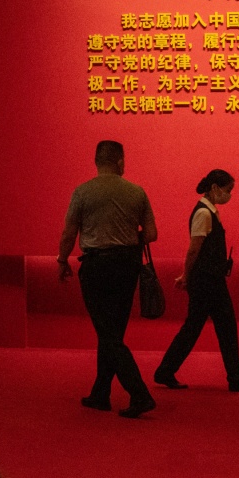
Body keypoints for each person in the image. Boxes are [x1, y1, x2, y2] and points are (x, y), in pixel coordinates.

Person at [56, 140, 159, 418]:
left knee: (107, 333)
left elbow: (69, 233)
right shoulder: (136, 192)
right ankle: (100, 393)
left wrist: (62, 260)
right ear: (120, 162)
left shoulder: (82, 192)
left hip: (96, 266)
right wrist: (128, 239)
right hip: (127, 265)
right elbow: (151, 233)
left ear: (96, 161)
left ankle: (139, 394)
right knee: (113, 332)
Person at [152, 169, 239, 392]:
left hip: (208, 280)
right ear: (214, 188)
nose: (229, 195)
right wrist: (185, 275)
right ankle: (235, 377)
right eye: (228, 190)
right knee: (222, 327)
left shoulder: (207, 211)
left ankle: (166, 371)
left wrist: (187, 276)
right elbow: (194, 249)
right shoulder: (204, 214)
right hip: (208, 282)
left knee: (197, 327)